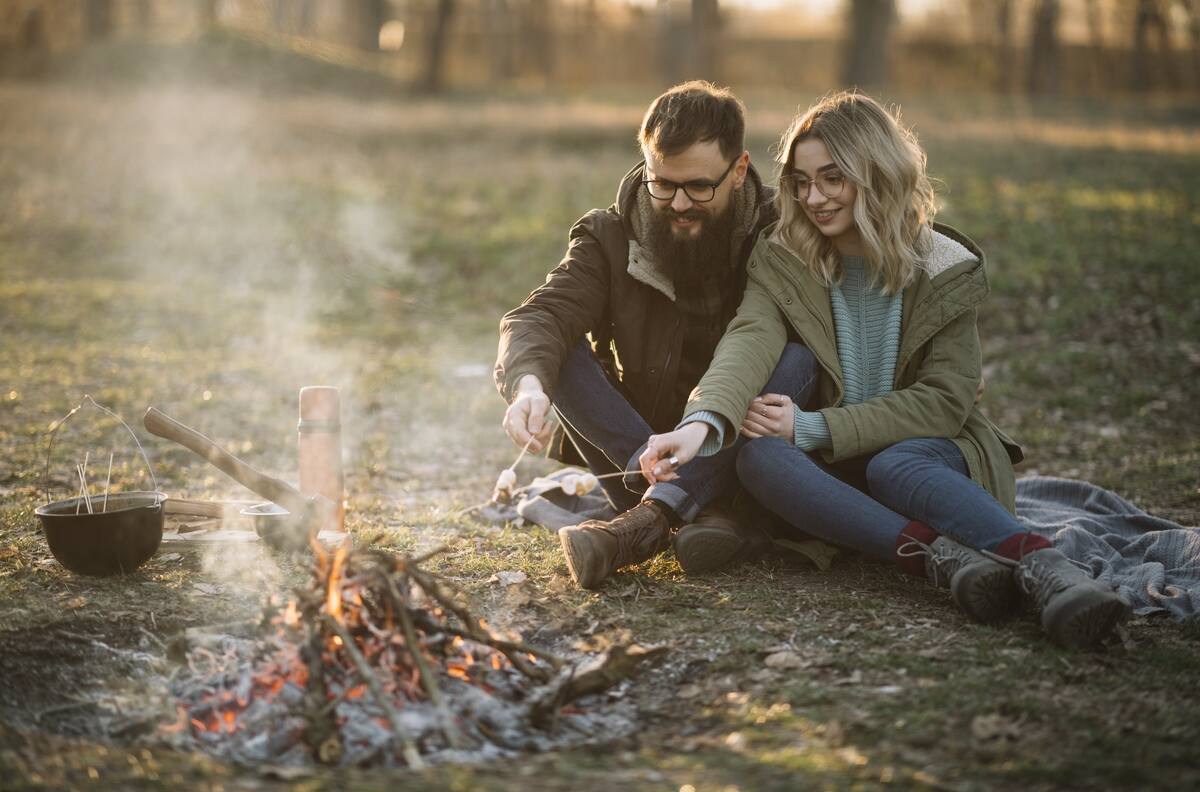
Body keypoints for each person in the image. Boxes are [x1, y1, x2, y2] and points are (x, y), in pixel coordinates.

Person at [638, 92, 1128, 649]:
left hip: (932, 455)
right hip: (840, 470)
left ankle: (1051, 571)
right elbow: (749, 338)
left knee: (894, 464)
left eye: (833, 179)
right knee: (759, 457)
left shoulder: (943, 265)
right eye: (802, 182)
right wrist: (700, 424)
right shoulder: (785, 256)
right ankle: (938, 558)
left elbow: (945, 401)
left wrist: (814, 426)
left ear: (875, 173)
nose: (813, 198)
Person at [495, 82, 818, 589]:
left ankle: (664, 519)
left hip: (752, 454)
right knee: (556, 355)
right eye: (662, 184)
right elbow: (540, 315)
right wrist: (527, 387)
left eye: (699, 187)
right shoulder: (608, 237)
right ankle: (701, 514)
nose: (679, 204)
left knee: (798, 358)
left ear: (738, 170)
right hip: (642, 460)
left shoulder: (785, 231)